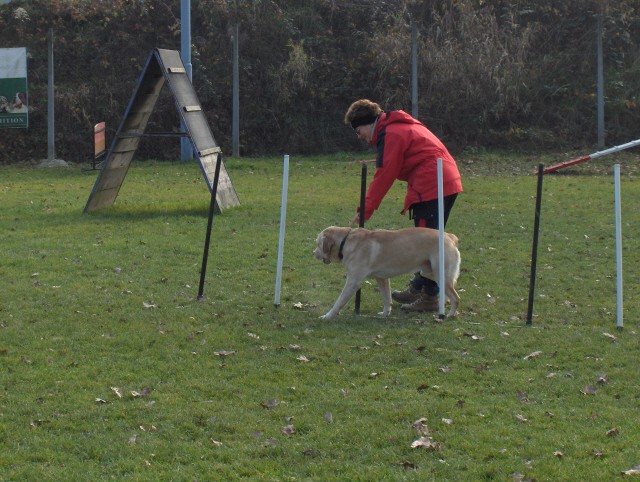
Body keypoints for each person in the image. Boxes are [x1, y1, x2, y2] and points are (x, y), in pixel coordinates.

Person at [344, 99, 462, 312]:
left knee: (425, 242)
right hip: (441, 179)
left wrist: (365, 211)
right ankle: (418, 286)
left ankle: (429, 297)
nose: (358, 135)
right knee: (425, 240)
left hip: (433, 183)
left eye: (358, 129)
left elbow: (384, 176)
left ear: (368, 122)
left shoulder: (392, 134)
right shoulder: (395, 127)